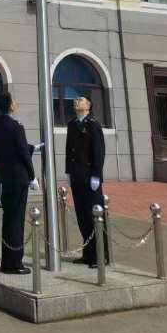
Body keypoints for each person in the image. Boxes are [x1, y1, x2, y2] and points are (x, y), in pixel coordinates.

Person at [0, 92, 43, 275]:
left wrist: (33, 147)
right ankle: (14, 263)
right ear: (11, 106)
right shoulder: (16, 126)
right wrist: (32, 175)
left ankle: (7, 261)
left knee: (8, 219)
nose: (16, 103)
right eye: (14, 101)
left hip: (6, 177)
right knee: (16, 221)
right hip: (19, 177)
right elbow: (21, 151)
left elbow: (12, 146)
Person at [65, 96, 106, 268]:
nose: (76, 101)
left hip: (90, 177)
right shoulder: (72, 124)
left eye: (80, 100)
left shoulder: (93, 125)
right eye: (75, 100)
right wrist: (68, 171)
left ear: (88, 106)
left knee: (93, 215)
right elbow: (69, 149)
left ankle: (100, 255)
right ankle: (87, 254)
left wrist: (96, 175)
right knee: (82, 216)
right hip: (77, 176)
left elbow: (98, 151)